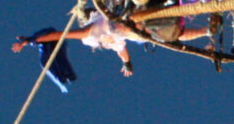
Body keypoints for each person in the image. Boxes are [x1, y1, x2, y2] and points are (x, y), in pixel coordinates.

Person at [13, 10, 211, 78]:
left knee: (161, 27)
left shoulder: (91, 31)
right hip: (137, 31)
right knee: (173, 35)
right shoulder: (111, 42)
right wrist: (127, 64)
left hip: (131, 24)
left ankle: (200, 24)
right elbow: (122, 51)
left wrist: (31, 41)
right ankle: (206, 30)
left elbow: (59, 35)